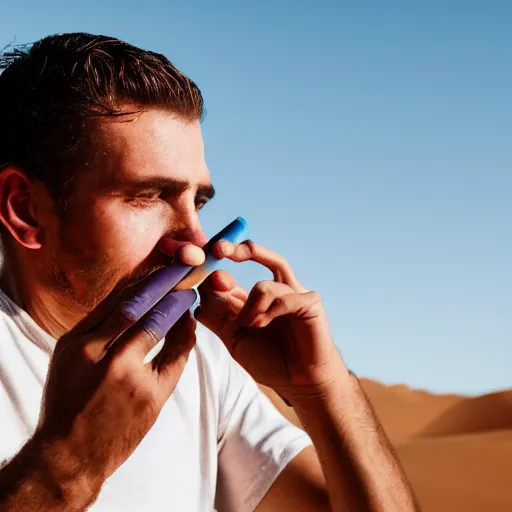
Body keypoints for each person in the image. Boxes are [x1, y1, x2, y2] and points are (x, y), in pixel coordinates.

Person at [0, 33, 418, 511]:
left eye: (197, 201)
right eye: (150, 196)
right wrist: (66, 466)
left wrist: (322, 391)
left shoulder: (200, 365)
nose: (197, 244)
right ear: (26, 210)